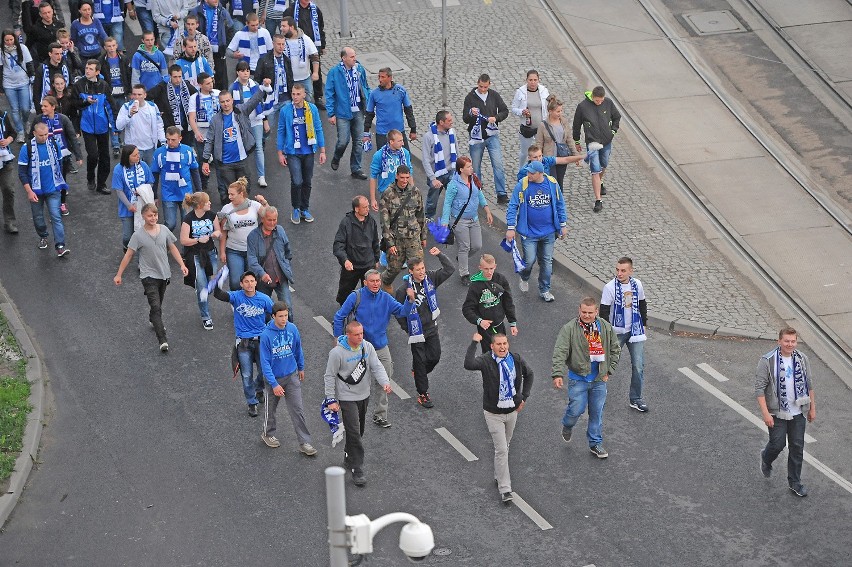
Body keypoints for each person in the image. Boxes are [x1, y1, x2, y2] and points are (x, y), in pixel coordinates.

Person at [333, 270, 414, 429]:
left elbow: (402, 311)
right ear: (365, 282)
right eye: (372, 281)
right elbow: (339, 317)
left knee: (385, 380)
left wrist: (410, 299)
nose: (376, 283)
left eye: (378, 281)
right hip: (359, 348)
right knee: (353, 382)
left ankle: (380, 415)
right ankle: (348, 411)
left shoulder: (386, 298)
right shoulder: (356, 297)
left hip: (380, 347)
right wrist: (337, 339)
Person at [464, 331, 533, 504]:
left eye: (505, 344)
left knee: (505, 446)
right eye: (499, 344)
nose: (502, 347)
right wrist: (473, 343)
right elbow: (469, 364)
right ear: (492, 346)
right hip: (493, 413)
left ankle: (498, 474)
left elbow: (529, 374)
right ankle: (505, 489)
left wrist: (524, 397)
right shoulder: (486, 360)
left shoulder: (515, 359)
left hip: (511, 411)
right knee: (501, 449)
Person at [113, 202, 189, 352]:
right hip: (148, 275)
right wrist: (119, 274)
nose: (153, 218)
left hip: (164, 274)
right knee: (156, 306)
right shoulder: (138, 235)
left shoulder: (165, 230)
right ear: (143, 217)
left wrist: (182, 265)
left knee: (158, 304)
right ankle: (162, 339)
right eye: (150, 215)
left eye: (155, 215)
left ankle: (153, 318)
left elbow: (172, 247)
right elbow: (129, 255)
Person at [551, 297, 621, 459]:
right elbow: (560, 351)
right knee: (576, 410)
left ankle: (595, 443)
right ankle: (567, 425)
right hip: (578, 378)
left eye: (590, 312)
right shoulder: (569, 329)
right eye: (584, 312)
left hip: (599, 380)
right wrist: (557, 374)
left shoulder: (605, 327)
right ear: (579, 311)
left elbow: (615, 349)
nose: (587, 315)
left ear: (596, 312)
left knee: (596, 413)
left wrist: (609, 371)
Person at [323, 320, 391, 486]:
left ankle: (348, 453)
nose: (361, 337)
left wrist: (385, 382)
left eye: (362, 333)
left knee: (358, 430)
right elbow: (329, 376)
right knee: (354, 432)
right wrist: (331, 399)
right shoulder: (337, 353)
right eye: (357, 334)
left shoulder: (367, 347)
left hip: (364, 394)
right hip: (346, 398)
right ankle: (357, 468)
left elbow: (376, 366)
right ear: (348, 335)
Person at [755, 327, 816, 497]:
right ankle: (766, 458)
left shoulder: (802, 359)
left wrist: (812, 408)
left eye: (793, 341)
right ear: (779, 341)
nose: (790, 344)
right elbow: (759, 389)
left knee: (797, 447)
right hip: (777, 412)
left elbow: (809, 384)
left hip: (798, 411)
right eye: (786, 341)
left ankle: (795, 482)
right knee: (777, 444)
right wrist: (766, 414)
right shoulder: (767, 360)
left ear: (796, 341)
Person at [393, 247, 455, 408]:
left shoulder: (431, 278)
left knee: (435, 357)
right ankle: (423, 393)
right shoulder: (402, 291)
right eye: (418, 270)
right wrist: (407, 328)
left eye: (423, 268)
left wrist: (440, 254)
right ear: (410, 271)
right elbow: (399, 313)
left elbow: (450, 269)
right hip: (416, 332)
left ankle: (419, 373)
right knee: (420, 361)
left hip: (431, 327)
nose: (421, 272)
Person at [212, 269, 274, 417]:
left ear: (256, 282)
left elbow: (275, 314)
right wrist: (216, 283)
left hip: (261, 342)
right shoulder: (236, 297)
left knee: (264, 373)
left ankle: (259, 389)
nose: (249, 284)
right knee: (246, 375)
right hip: (243, 344)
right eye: (246, 281)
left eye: (252, 281)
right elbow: (219, 295)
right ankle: (252, 403)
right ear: (241, 284)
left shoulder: (264, 299)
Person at [258, 300, 317, 455]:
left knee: (297, 410)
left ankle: (304, 442)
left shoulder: (292, 328)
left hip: (291, 377)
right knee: (270, 410)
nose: (284, 319)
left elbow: (298, 349)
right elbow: (264, 363)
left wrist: (301, 367)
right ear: (273, 317)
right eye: (281, 316)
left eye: (286, 315)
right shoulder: (266, 336)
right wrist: (274, 384)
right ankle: (267, 434)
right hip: (274, 380)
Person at [505, 160, 568, 303]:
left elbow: (560, 204)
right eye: (528, 171)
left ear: (541, 173)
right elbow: (513, 205)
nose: (528, 174)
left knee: (547, 262)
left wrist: (563, 224)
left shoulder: (551, 183)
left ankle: (544, 289)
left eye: (532, 173)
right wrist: (510, 227)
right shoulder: (523, 184)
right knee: (529, 261)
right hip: (529, 233)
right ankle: (524, 277)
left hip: (549, 232)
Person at [202, 85, 268, 203]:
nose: (226, 104)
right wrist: (205, 160)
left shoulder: (241, 110)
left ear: (232, 100)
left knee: (245, 189)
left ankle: (245, 214)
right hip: (225, 164)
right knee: (232, 193)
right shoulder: (215, 120)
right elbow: (210, 140)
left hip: (242, 159)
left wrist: (263, 88)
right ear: (219, 103)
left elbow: (253, 101)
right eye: (222, 102)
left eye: (228, 101)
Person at [599, 256, 649, 412]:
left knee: (638, 366)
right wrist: (607, 333)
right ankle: (597, 396)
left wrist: (644, 323)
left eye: (623, 270)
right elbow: (604, 312)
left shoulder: (637, 285)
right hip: (617, 332)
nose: (619, 273)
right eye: (617, 270)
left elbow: (642, 303)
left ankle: (635, 399)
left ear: (630, 271)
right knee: (607, 364)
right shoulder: (609, 288)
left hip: (635, 331)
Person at [18, 122, 70, 256]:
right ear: (34, 134)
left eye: (46, 134)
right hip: (35, 191)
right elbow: (22, 172)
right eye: (41, 135)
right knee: (38, 218)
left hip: (53, 190)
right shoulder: (26, 148)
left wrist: (59, 184)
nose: (44, 137)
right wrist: (29, 191)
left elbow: (60, 164)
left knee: (56, 216)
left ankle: (60, 246)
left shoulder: (53, 144)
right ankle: (43, 235)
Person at [439, 156, 493, 286]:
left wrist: (487, 210)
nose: (471, 169)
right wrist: (445, 222)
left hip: (474, 219)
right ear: (461, 169)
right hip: (460, 220)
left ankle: (461, 258)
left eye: (471, 166)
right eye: (468, 167)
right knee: (465, 246)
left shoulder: (473, 179)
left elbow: (479, 194)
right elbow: (447, 203)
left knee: (477, 246)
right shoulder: (453, 185)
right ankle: (464, 274)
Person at [277, 82, 325, 223]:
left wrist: (322, 150)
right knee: (297, 181)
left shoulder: (312, 109)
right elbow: (281, 131)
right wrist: (280, 153)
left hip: (309, 150)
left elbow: (318, 128)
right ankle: (296, 208)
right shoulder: (285, 110)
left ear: (304, 94)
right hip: (293, 152)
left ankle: (305, 208)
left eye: (298, 94)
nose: (295, 97)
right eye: (293, 94)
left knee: (307, 181)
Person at [27, 95, 84, 216]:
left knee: (61, 179)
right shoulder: (38, 119)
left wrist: (78, 156)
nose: (42, 108)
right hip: (43, 155)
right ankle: (50, 203)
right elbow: (30, 137)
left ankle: (62, 203)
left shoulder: (63, 119)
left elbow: (72, 137)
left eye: (45, 106)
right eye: (42, 105)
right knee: (47, 179)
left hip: (61, 155)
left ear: (53, 107)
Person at [572, 85, 621, 213]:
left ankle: (601, 181)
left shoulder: (608, 103)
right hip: (592, 142)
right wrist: (576, 141)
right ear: (592, 97)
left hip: (606, 141)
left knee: (604, 163)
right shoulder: (583, 107)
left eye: (601, 100)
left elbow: (617, 117)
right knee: (595, 169)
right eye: (597, 100)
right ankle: (598, 200)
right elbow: (576, 125)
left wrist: (613, 131)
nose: (599, 103)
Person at [462, 73, 509, 203]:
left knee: (498, 164)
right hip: (476, 138)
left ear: (489, 85)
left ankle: (501, 193)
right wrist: (471, 113)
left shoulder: (494, 95)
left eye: (485, 87)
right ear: (477, 84)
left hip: (492, 136)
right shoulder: (470, 98)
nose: (483, 89)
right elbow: (465, 118)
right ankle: (477, 193)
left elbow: (505, 111)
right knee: (476, 167)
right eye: (481, 86)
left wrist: (496, 118)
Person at [379, 165, 425, 293]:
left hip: (413, 238)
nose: (405, 181)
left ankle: (419, 294)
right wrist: (390, 243)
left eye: (407, 177)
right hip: (396, 239)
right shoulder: (388, 193)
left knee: (418, 267)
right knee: (394, 269)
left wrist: (423, 236)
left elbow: (420, 215)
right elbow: (384, 222)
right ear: (396, 176)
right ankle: (385, 282)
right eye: (402, 178)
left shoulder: (415, 192)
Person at [74, 59, 116, 194]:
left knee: (105, 157)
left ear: (97, 72)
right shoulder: (79, 85)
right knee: (92, 155)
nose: (87, 70)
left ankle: (102, 184)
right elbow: (74, 104)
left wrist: (114, 127)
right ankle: (90, 176)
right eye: (86, 68)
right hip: (87, 126)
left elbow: (111, 107)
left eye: (91, 69)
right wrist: (86, 102)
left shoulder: (104, 86)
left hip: (102, 126)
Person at [180, 191, 221, 330]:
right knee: (203, 288)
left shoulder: (212, 215)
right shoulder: (188, 219)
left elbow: (219, 231)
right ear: (199, 205)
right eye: (207, 201)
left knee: (210, 285)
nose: (210, 203)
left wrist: (217, 233)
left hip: (210, 253)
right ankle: (206, 317)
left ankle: (200, 288)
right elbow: (183, 240)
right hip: (195, 255)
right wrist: (197, 239)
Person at [324, 47, 368, 179]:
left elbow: (365, 86)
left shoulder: (359, 69)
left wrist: (368, 98)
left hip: (358, 111)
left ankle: (356, 168)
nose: (355, 59)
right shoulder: (334, 72)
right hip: (342, 112)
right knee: (343, 141)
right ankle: (337, 157)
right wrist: (331, 113)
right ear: (344, 58)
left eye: (355, 56)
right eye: (352, 57)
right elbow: (329, 93)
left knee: (359, 142)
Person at [217, 177, 268, 290]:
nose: (229, 197)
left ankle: (250, 304)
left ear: (241, 194)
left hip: (253, 251)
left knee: (252, 281)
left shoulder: (254, 205)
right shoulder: (226, 209)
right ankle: (236, 303)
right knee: (236, 282)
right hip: (234, 250)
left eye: (232, 194)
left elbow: (268, 216)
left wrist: (264, 202)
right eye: (228, 194)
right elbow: (223, 232)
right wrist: (222, 252)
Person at [462, 254, 518, 353]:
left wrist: (512, 323)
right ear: (480, 268)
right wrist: (479, 321)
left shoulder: (501, 279)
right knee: (489, 355)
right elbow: (467, 309)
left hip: (500, 325)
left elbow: (508, 301)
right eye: (486, 269)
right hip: (485, 328)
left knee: (503, 351)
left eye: (491, 268)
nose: (489, 272)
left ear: (495, 266)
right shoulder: (475, 286)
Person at [150, 125, 202, 230]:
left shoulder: (187, 151)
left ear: (180, 138)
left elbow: (194, 171)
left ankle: (186, 246)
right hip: (168, 193)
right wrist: (154, 195)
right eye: (168, 139)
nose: (170, 142)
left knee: (187, 224)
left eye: (173, 140)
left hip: (186, 194)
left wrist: (199, 191)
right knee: (170, 224)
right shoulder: (159, 153)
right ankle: (165, 244)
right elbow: (155, 175)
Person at [333, 195, 380, 305]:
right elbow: (338, 245)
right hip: (352, 266)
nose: (368, 209)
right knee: (345, 294)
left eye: (368, 206)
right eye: (365, 207)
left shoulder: (371, 221)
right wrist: (345, 260)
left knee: (371, 294)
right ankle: (345, 316)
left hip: (368, 265)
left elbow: (375, 241)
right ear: (356, 209)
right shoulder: (346, 223)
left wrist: (376, 259)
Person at [246, 205, 295, 312]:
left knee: (288, 307)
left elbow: (288, 251)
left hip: (280, 278)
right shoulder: (252, 237)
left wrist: (286, 266)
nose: (272, 223)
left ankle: (288, 328)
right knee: (264, 309)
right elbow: (252, 260)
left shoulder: (280, 231)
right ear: (262, 219)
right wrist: (262, 274)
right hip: (263, 281)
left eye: (275, 220)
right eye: (269, 220)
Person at [232, 61, 270, 187]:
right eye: (242, 71)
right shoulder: (233, 88)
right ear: (237, 72)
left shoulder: (256, 85)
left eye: (247, 70)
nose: (245, 73)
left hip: (256, 120)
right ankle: (243, 177)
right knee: (244, 149)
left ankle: (261, 176)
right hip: (242, 123)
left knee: (259, 147)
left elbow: (262, 104)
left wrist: (265, 120)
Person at [111, 144, 154, 249]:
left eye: (138, 154)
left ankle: (141, 262)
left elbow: (150, 182)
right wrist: (129, 205)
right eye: (135, 155)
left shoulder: (143, 165)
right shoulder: (118, 169)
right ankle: (127, 247)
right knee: (128, 236)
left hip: (142, 205)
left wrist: (142, 191)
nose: (138, 156)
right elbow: (119, 190)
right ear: (127, 157)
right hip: (127, 208)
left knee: (142, 235)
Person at [189, 0, 240, 90]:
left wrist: (224, 44)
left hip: (218, 52)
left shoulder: (222, 11)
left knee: (220, 80)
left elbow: (231, 29)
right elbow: (189, 30)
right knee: (203, 79)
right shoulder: (195, 12)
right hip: (200, 52)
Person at [363, 67, 415, 150]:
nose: (380, 79)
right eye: (379, 77)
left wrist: (413, 129)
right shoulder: (374, 94)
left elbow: (408, 110)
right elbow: (369, 114)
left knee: (405, 160)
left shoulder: (400, 90)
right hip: (382, 134)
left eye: (383, 77)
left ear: (390, 78)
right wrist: (366, 133)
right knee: (383, 161)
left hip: (399, 132)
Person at [282, 0, 325, 101]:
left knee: (316, 70)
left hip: (312, 42)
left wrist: (322, 44)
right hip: (295, 41)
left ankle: (318, 97)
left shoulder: (315, 9)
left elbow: (320, 27)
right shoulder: (291, 10)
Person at [115, 84, 166, 164]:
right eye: (134, 94)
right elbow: (118, 126)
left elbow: (159, 125)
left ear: (145, 95)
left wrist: (162, 141)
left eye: (139, 94)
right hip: (133, 148)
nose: (137, 97)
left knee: (151, 173)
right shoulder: (126, 107)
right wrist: (129, 115)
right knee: (134, 173)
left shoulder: (152, 107)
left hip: (150, 147)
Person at [99, 37, 132, 158]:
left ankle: (118, 138)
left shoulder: (123, 59)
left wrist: (129, 90)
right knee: (112, 118)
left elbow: (128, 75)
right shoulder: (101, 61)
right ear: (105, 48)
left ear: (117, 45)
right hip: (109, 93)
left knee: (122, 117)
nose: (111, 48)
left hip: (122, 92)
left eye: (113, 45)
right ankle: (116, 145)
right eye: (109, 46)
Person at [148, 65, 197, 146]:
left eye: (179, 77)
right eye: (175, 77)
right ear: (170, 76)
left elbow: (197, 96)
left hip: (185, 125)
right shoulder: (162, 86)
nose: (178, 80)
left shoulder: (186, 86)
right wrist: (155, 111)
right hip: (169, 125)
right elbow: (147, 96)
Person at [0, 30, 35, 143]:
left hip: (23, 82)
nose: (9, 42)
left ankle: (26, 122)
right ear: (3, 41)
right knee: (14, 109)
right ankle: (20, 132)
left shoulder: (23, 48)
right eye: (7, 40)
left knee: (25, 108)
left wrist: (32, 75)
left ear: (14, 39)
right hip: (8, 84)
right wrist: (1, 87)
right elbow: (0, 69)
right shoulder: (1, 52)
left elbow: (29, 63)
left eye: (11, 39)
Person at [535, 94, 577, 190]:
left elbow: (569, 139)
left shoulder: (564, 122)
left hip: (562, 156)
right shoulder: (543, 125)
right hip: (549, 157)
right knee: (552, 181)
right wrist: (538, 158)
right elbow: (539, 143)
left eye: (561, 111)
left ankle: (559, 202)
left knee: (560, 181)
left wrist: (575, 155)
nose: (560, 113)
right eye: (558, 111)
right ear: (550, 111)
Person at [421, 110, 456, 220]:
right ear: (441, 122)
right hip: (436, 174)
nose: (452, 122)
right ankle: (428, 218)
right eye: (449, 120)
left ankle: (453, 218)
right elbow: (425, 160)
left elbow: (456, 152)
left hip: (451, 171)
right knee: (433, 200)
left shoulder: (452, 133)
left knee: (454, 197)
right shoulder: (429, 137)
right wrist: (432, 178)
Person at [253, 32, 294, 128]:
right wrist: (264, 83)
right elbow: (256, 81)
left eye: (283, 44)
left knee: (287, 129)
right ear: (273, 44)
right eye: (278, 44)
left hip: (285, 99)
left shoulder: (287, 60)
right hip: (270, 100)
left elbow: (290, 80)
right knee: (268, 131)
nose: (281, 46)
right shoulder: (264, 60)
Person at [511, 69, 549, 170]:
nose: (533, 82)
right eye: (530, 80)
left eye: (535, 80)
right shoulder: (520, 92)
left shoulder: (544, 91)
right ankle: (522, 170)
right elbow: (514, 108)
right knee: (525, 151)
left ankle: (540, 170)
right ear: (526, 80)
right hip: (527, 127)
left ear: (538, 80)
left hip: (541, 127)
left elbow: (548, 107)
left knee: (541, 151)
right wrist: (521, 111)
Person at [188, 72, 219, 192]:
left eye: (211, 82)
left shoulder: (217, 94)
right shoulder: (194, 98)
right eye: (207, 83)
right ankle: (203, 185)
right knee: (202, 160)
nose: (211, 85)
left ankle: (223, 187)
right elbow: (192, 117)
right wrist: (196, 132)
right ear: (200, 84)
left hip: (217, 135)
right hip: (203, 136)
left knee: (219, 161)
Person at [368, 128, 410, 213]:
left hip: (402, 190)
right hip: (386, 193)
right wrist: (373, 199)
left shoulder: (405, 153)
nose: (403, 143)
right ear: (391, 142)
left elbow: (410, 172)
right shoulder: (379, 155)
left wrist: (411, 191)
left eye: (402, 140)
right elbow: (373, 177)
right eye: (400, 141)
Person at [278, 16, 318, 102]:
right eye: (281, 26)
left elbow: (314, 56)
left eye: (284, 26)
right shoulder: (281, 41)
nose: (281, 28)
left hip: (304, 79)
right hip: (288, 80)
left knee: (309, 102)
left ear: (291, 27)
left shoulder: (306, 39)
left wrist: (315, 73)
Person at [517, 143, 584, 181]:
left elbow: (565, 159)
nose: (538, 159)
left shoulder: (546, 161)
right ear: (529, 158)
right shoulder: (523, 171)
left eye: (540, 156)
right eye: (535, 157)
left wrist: (582, 157)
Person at [0, 109, 18, 233]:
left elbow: (13, 132)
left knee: (8, 189)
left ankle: (9, 221)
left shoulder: (2, 115)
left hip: (5, 160)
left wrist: (8, 140)